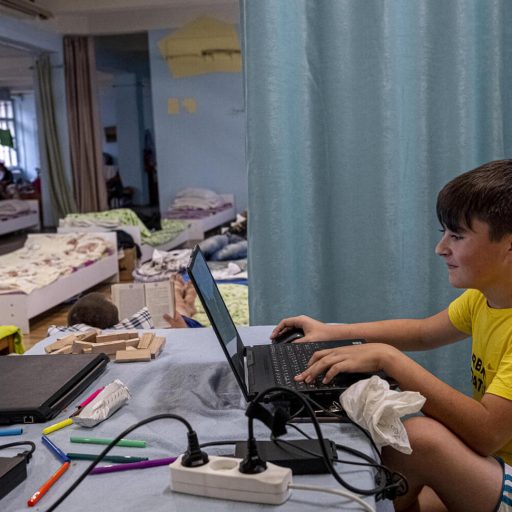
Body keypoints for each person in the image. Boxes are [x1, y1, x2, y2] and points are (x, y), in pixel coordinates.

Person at [271, 159, 512, 512]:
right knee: (397, 452)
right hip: (495, 468)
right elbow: (423, 332)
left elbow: (488, 434)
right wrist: (335, 332)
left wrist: (389, 358)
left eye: (456, 236)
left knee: (420, 439)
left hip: (499, 466)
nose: (441, 248)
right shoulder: (484, 299)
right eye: (443, 233)